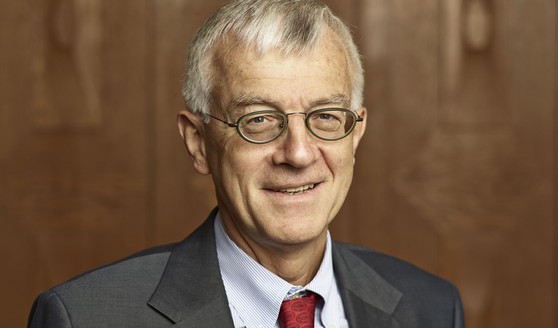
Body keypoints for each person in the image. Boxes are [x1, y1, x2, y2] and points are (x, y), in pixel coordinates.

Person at [28, 0, 465, 327]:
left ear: (356, 133)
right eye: (258, 120)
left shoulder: (429, 307)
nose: (297, 153)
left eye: (326, 117)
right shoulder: (85, 318)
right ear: (198, 143)